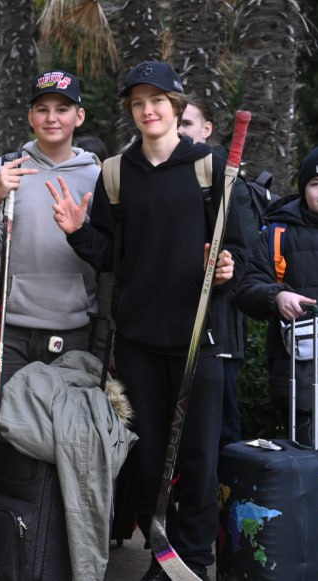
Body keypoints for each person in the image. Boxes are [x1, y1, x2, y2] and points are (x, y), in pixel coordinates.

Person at [51, 61, 242, 580]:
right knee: (150, 457)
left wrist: (227, 267)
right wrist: (76, 232)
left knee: (200, 459)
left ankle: (195, 559)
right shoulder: (116, 172)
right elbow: (110, 255)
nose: (148, 110)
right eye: (138, 103)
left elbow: (241, 255)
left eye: (157, 100)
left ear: (177, 108)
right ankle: (162, 556)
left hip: (198, 338)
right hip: (137, 340)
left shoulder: (211, 169)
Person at [235, 145, 318, 513]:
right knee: (301, 479)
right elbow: (246, 288)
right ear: (303, 188)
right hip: (297, 380)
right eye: (316, 183)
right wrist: (276, 296)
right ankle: (299, 556)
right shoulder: (278, 235)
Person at [0, 70, 100, 400]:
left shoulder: (98, 177)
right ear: (30, 116)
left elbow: (107, 258)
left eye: (62, 109)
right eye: (42, 109)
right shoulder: (1, 170)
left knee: (62, 440)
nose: (52, 118)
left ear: (79, 116)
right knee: (1, 435)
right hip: (6, 331)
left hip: (73, 331)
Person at [179, 96, 264, 450]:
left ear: (206, 129)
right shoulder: (146, 175)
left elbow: (246, 255)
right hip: (164, 330)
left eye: (187, 122)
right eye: (176, 122)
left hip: (219, 333)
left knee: (218, 437)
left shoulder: (224, 177)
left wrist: (227, 268)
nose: (180, 130)